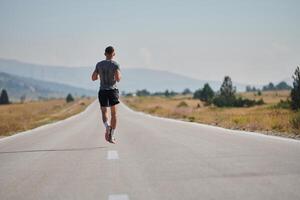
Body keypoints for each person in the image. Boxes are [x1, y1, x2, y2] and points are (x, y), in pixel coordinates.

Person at [91, 46, 121, 144]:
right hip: (112, 91)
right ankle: (111, 135)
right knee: (114, 114)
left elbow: (93, 78)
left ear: (105, 54)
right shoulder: (115, 64)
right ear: (113, 54)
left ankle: (107, 126)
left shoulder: (99, 64)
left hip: (102, 91)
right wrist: (119, 74)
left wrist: (100, 74)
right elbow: (118, 78)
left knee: (104, 112)